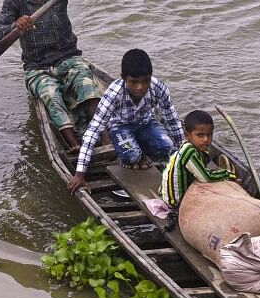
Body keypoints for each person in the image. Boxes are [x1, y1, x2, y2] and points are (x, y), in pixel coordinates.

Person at [0, 0, 118, 156]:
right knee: (51, 95)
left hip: (68, 57)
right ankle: (74, 145)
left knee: (87, 85)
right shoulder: (14, 0)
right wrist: (16, 25)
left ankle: (106, 141)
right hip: (37, 67)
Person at [67, 49, 185, 194]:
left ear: (150, 77)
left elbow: (172, 121)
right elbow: (93, 131)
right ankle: (137, 154)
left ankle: (141, 147)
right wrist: (80, 174)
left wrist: (183, 152)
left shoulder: (158, 88)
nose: (140, 87)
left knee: (168, 148)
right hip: (120, 127)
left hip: (146, 123)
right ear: (123, 78)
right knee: (132, 156)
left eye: (145, 81)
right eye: (134, 82)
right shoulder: (114, 93)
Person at [159, 109, 236, 208]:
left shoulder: (188, 146)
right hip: (176, 202)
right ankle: (224, 172)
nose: (206, 140)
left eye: (209, 135)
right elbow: (206, 178)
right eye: (200, 135)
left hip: (168, 195)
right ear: (187, 135)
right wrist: (228, 174)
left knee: (206, 162)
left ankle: (220, 173)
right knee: (216, 188)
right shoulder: (189, 151)